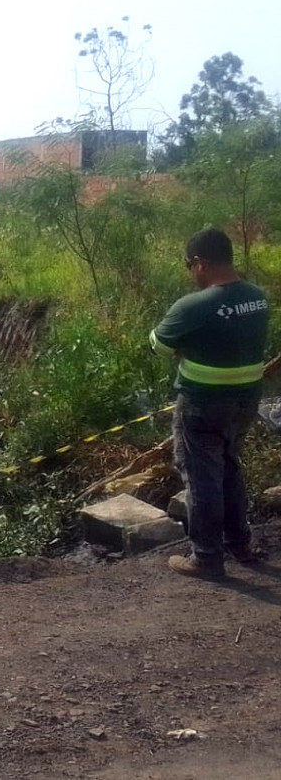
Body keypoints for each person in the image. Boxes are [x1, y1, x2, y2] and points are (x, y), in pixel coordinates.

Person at [150, 228, 269, 579]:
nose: (191, 272)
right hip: (246, 401)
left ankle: (206, 557)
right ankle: (240, 544)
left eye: (190, 265)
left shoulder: (194, 305)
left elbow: (159, 345)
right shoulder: (257, 297)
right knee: (229, 467)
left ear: (200, 264)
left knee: (202, 478)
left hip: (202, 404)